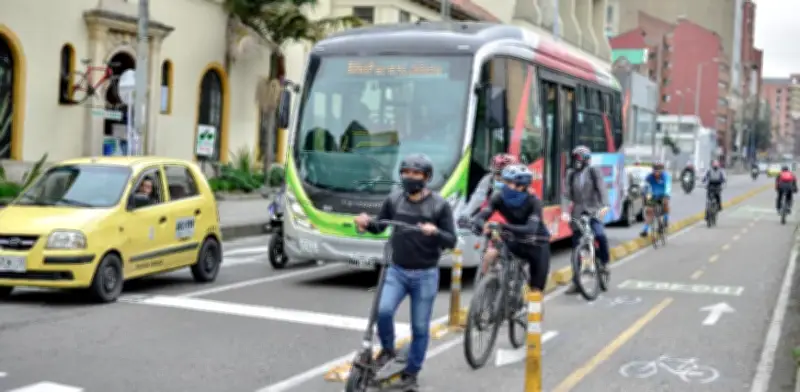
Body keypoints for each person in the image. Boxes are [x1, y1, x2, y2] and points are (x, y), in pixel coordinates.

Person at [353, 154, 456, 390]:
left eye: (416, 173)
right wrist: (365, 223)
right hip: (397, 271)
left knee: (420, 328)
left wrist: (435, 232)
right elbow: (380, 225)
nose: (410, 177)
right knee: (384, 311)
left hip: (426, 275)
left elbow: (452, 240)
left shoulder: (439, 206)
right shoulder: (394, 200)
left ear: (426, 178)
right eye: (406, 172)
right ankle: (388, 350)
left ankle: (411, 374)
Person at [470, 164, 551, 292]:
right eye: (504, 181)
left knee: (536, 292)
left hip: (537, 244)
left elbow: (530, 229)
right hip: (514, 240)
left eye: (509, 182)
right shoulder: (498, 197)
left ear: (521, 186)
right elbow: (481, 216)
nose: (504, 185)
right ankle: (483, 291)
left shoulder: (533, 202)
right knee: (489, 255)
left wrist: (502, 226)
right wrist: (480, 225)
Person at [561, 146, 611, 292]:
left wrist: (605, 206)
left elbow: (602, 189)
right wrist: (565, 211)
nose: (578, 161)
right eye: (576, 158)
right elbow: (565, 195)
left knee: (600, 235)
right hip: (577, 214)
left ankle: (605, 263)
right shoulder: (570, 174)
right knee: (576, 247)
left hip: (594, 211)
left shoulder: (593, 171)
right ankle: (576, 281)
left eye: (580, 158)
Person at [639, 162, 672, 237]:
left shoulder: (665, 176)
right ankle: (645, 230)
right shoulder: (649, 177)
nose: (656, 172)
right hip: (652, 195)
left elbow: (668, 186)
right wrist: (643, 194)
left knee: (665, 204)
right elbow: (645, 186)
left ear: (662, 170)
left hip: (663, 194)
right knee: (649, 211)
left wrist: (666, 196)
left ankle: (666, 220)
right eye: (655, 170)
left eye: (658, 170)